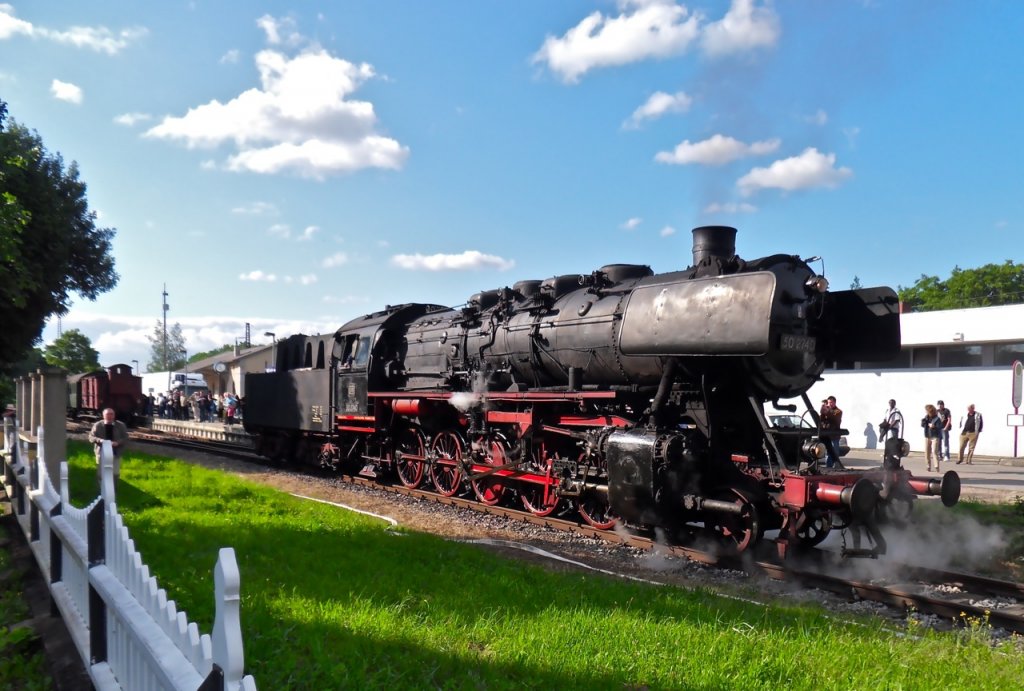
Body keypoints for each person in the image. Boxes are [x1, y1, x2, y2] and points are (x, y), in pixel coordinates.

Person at [88, 407, 129, 481]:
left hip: (116, 453)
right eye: (107, 414)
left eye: (112, 414)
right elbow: (91, 437)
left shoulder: (120, 425)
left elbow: (126, 438)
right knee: (101, 474)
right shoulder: (98, 425)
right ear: (103, 415)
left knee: (115, 474)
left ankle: (114, 490)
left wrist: (117, 443)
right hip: (101, 453)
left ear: (114, 415)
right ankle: (101, 490)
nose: (110, 416)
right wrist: (100, 440)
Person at [819, 395, 843, 468]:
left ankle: (836, 465)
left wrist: (827, 411)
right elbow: (821, 420)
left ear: (835, 403)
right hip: (827, 435)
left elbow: (834, 418)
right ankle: (828, 466)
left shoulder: (838, 411)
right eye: (829, 402)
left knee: (835, 452)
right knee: (828, 452)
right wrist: (822, 412)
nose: (830, 404)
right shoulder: (827, 411)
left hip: (834, 435)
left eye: (831, 402)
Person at [921, 404, 943, 472]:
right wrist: (923, 421)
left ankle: (936, 466)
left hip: (935, 436)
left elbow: (940, 427)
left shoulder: (937, 418)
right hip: (927, 435)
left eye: (927, 411)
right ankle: (928, 466)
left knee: (934, 451)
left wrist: (934, 426)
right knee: (927, 451)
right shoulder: (926, 417)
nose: (926, 412)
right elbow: (922, 425)